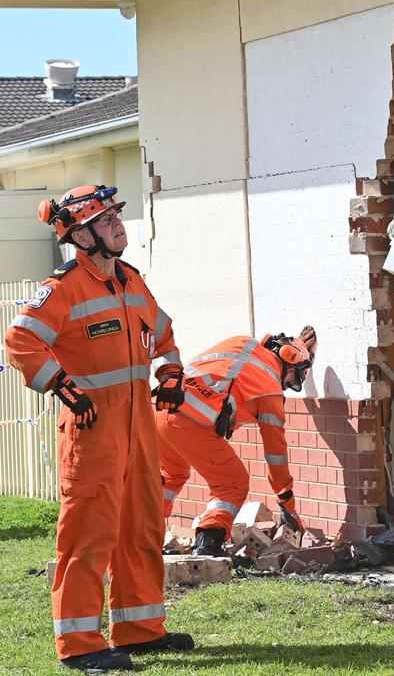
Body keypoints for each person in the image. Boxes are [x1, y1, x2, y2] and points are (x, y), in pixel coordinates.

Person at [4, 185, 194, 673]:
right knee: (89, 535)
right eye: (105, 219)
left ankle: (141, 629)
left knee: (142, 527)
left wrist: (171, 373)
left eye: (116, 216)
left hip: (138, 429)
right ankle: (80, 643)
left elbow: (164, 332)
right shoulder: (64, 287)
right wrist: (65, 388)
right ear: (81, 236)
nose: (117, 224)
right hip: (91, 430)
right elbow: (21, 341)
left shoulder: (131, 280)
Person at [156, 326, 317, 555]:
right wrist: (287, 502)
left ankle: (140, 534)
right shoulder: (269, 390)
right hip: (190, 422)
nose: (288, 384)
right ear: (287, 361)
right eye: (294, 376)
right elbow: (276, 454)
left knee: (171, 476)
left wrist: (299, 344)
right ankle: (208, 543)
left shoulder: (241, 343)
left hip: (160, 409)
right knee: (232, 483)